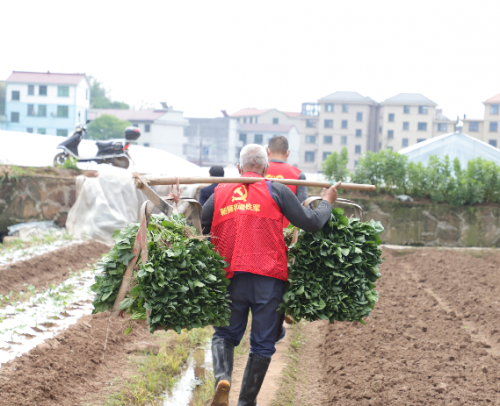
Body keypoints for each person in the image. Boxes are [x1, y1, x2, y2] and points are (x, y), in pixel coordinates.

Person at [202, 144, 340, 406]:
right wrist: (327, 202)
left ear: (239, 168)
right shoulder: (276, 189)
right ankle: (246, 402)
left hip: (230, 276)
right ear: (265, 169)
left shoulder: (220, 192)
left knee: (224, 335)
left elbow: (201, 227)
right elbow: (311, 223)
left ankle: (223, 377)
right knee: (262, 344)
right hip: (268, 278)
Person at [265, 135, 307, 343]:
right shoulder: (297, 175)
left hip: (260, 233)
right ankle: (279, 319)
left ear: (267, 151)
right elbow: (303, 208)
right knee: (284, 278)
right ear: (288, 153)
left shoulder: (258, 171)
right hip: (286, 236)